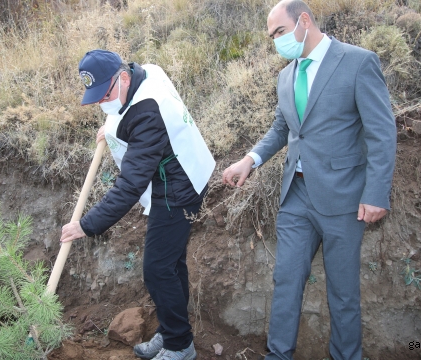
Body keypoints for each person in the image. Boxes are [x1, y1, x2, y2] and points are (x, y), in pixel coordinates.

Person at [222, 1, 397, 359]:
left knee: (343, 291)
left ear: (304, 20)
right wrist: (249, 160)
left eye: (280, 32)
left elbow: (382, 133)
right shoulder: (287, 75)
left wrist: (376, 193)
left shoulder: (358, 62)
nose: (276, 42)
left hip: (344, 198)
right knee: (285, 280)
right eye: (272, 37)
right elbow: (282, 129)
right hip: (296, 196)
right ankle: (278, 354)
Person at [60, 49, 215, 360]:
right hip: (182, 170)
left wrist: (86, 225)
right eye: (97, 98)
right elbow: (125, 114)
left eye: (105, 94)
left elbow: (130, 184)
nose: (104, 103)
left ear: (124, 77)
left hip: (178, 188)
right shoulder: (144, 75)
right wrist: (114, 126)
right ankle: (173, 332)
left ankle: (179, 345)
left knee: (157, 269)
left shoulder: (147, 111)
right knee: (171, 265)